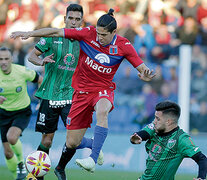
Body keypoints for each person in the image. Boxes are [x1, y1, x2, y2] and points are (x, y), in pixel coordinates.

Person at [11, 8, 155, 180]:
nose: (99, 37)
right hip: (80, 93)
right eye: (98, 33)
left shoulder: (124, 46)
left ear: (114, 32)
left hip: (103, 89)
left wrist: (146, 76)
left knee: (103, 110)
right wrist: (30, 33)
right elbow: (56, 31)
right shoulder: (88, 33)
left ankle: (92, 158)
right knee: (72, 142)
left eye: (103, 35)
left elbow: (142, 68)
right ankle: (95, 146)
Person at [25, 4, 85, 180]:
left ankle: (60, 167)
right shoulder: (52, 37)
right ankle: (37, 175)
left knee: (74, 139)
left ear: (82, 20)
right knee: (47, 140)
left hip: (71, 96)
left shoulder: (85, 40)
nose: (73, 22)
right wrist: (41, 61)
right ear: (65, 18)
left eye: (77, 19)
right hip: (50, 94)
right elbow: (31, 56)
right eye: (71, 18)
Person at [130, 101, 207, 180]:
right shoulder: (154, 127)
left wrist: (201, 177)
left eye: (158, 119)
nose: (154, 121)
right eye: (155, 117)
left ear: (168, 121)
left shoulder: (181, 138)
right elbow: (143, 134)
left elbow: (202, 159)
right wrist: (136, 138)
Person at [0, 46, 43, 180]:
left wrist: (41, 99)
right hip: (3, 113)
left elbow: (40, 79)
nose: (3, 62)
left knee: (12, 137)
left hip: (21, 111)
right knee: (7, 153)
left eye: (6, 58)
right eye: (0, 59)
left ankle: (21, 164)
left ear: (12, 59)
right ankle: (17, 176)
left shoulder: (21, 71)